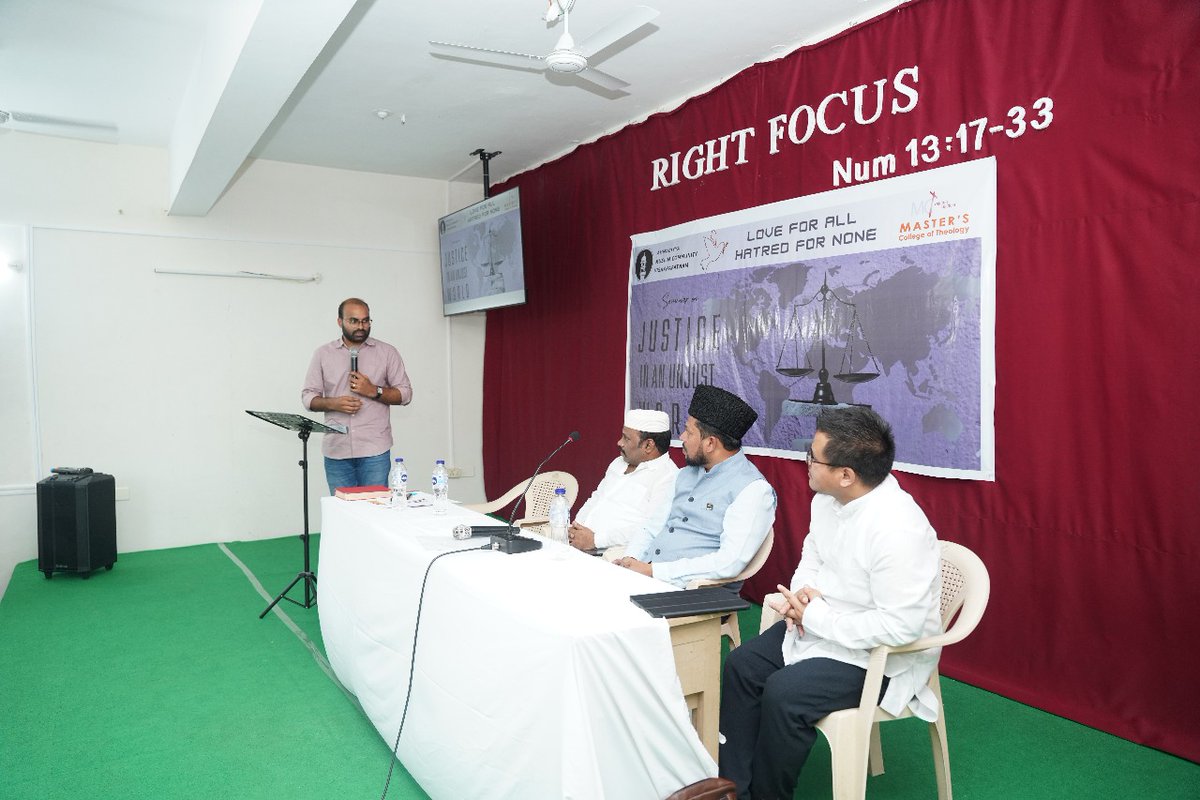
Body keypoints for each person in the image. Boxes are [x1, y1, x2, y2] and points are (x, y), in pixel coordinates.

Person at [718, 406, 942, 800]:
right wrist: (804, 591)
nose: (806, 461)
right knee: (742, 665)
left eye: (813, 457)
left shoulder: (898, 528)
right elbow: (813, 555)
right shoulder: (826, 499)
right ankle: (734, 789)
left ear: (846, 475)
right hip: (820, 625)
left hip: (879, 653)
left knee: (785, 693)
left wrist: (818, 616)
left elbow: (900, 627)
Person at [617, 384, 776, 588]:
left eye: (688, 432)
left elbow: (730, 562)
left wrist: (654, 571)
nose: (681, 438)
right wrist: (629, 561)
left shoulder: (753, 489)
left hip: (696, 593)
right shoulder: (684, 475)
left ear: (710, 443)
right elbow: (651, 527)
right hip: (648, 579)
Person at [302, 297, 413, 494]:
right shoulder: (323, 354)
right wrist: (333, 403)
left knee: (375, 511)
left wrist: (374, 391)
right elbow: (308, 397)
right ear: (340, 322)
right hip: (337, 450)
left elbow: (405, 394)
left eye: (365, 320)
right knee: (342, 513)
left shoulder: (387, 352)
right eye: (354, 321)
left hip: (374, 450)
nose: (361, 326)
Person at [567, 409, 679, 553]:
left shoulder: (668, 477)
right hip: (579, 546)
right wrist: (576, 528)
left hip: (612, 556)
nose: (619, 442)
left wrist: (595, 540)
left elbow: (649, 528)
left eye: (626, 438)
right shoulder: (618, 463)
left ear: (648, 445)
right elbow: (597, 497)